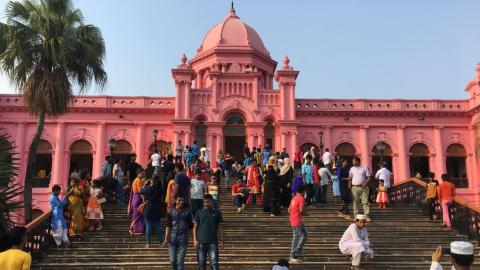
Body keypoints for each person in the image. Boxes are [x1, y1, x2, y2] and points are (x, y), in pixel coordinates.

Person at [193, 194, 224, 270]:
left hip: (213, 242)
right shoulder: (199, 212)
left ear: (212, 202)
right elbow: (195, 227)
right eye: (205, 202)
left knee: (214, 264)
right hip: (201, 242)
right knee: (201, 264)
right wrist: (195, 240)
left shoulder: (217, 212)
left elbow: (220, 228)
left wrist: (222, 240)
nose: (206, 204)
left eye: (208, 202)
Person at [162, 195, 194, 270]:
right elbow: (168, 226)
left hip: (183, 238)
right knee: (172, 261)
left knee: (180, 261)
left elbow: (191, 227)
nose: (181, 202)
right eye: (179, 200)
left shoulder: (187, 212)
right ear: (175, 201)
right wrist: (166, 239)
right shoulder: (170, 211)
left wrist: (194, 239)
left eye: (182, 201)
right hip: (172, 238)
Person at [288, 184, 308, 264]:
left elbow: (289, 210)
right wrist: (307, 214)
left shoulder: (294, 198)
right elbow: (301, 210)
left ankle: (298, 249)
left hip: (294, 219)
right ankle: (292, 256)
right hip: (296, 221)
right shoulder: (301, 198)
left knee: (305, 234)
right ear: (303, 191)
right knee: (296, 238)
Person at [141, 178, 163, 248]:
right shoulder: (160, 189)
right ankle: (161, 242)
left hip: (149, 208)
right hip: (158, 208)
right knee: (158, 226)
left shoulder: (148, 188)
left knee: (148, 226)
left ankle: (148, 243)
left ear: (152, 181)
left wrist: (145, 184)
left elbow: (141, 191)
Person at [349, 157, 372, 222]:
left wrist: (364, 183)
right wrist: (349, 185)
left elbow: (369, 177)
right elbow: (350, 178)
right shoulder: (352, 168)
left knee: (365, 202)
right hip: (354, 187)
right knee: (355, 202)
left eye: (353, 161)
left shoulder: (364, 167)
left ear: (357, 161)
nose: (352, 162)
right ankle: (356, 216)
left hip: (364, 187)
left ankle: (366, 215)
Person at [128, 169, 146, 236]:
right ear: (138, 174)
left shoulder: (135, 180)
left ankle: (133, 229)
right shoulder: (138, 180)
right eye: (142, 173)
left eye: (144, 173)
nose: (143, 175)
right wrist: (144, 199)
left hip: (135, 198)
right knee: (138, 215)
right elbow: (140, 191)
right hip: (138, 198)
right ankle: (134, 230)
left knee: (136, 215)